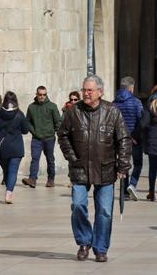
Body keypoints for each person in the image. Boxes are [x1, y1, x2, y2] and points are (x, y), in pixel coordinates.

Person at [58, 75, 132, 263]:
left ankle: (100, 248)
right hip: (80, 168)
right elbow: (63, 135)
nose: (86, 93)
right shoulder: (73, 112)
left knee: (105, 211)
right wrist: (72, 157)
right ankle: (84, 242)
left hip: (106, 168)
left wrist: (123, 165)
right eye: (84, 90)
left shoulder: (112, 111)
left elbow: (123, 139)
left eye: (90, 90)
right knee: (78, 205)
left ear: (100, 92)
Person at [0, 91, 30, 204]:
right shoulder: (20, 114)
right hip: (16, 147)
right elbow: (25, 130)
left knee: (7, 171)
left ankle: (8, 186)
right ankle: (9, 193)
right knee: (13, 171)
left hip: (3, 147)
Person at [22, 86, 61, 188]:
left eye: (44, 94)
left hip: (49, 137)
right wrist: (33, 131)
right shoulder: (31, 107)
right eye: (40, 94)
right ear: (37, 94)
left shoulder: (52, 106)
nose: (42, 96)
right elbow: (27, 121)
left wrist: (59, 134)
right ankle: (32, 179)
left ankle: (51, 179)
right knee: (35, 158)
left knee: (50, 159)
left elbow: (58, 122)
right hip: (36, 138)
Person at [113, 76, 144, 201]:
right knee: (138, 164)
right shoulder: (136, 102)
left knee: (123, 165)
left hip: (120, 139)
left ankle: (125, 192)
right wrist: (135, 136)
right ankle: (132, 184)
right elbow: (141, 120)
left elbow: (112, 122)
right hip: (134, 139)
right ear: (131, 88)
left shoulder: (113, 103)